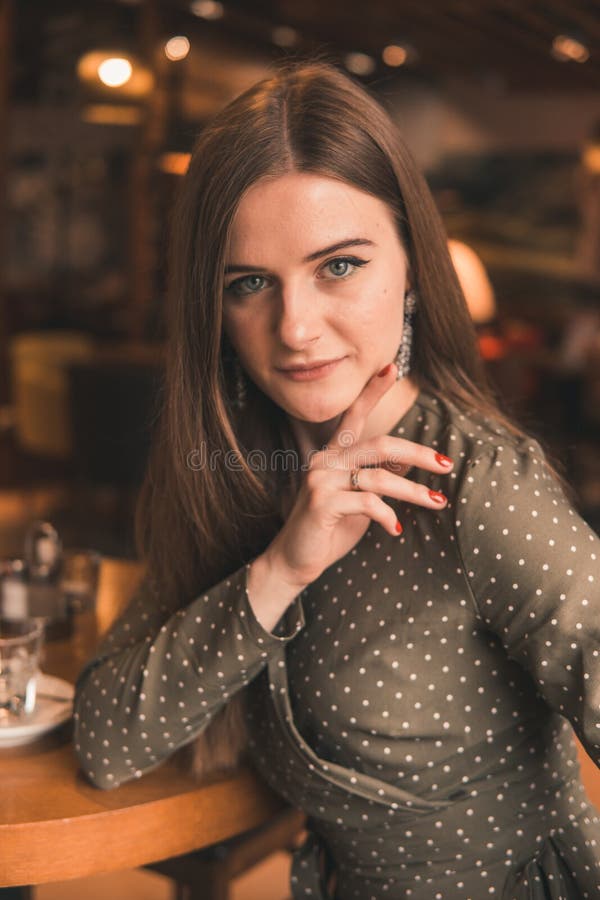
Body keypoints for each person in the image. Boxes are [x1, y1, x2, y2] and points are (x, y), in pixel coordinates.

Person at [73, 61, 600, 899]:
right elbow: (105, 742)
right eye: (249, 284)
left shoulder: (480, 488)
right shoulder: (235, 471)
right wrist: (282, 566)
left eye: (339, 266)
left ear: (414, 269)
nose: (295, 327)